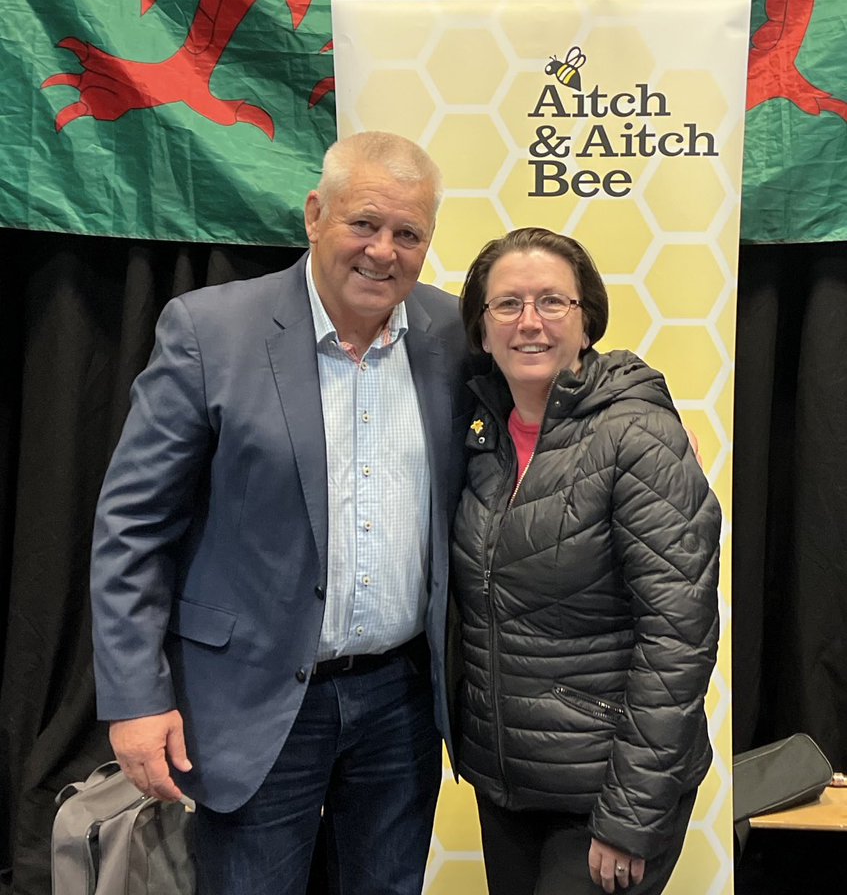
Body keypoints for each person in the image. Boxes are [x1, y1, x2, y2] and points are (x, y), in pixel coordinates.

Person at [90, 131, 477, 895]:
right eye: (364, 223)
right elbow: (132, 529)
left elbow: (551, 388)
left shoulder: (454, 335)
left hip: (401, 702)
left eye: (408, 234)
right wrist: (137, 698)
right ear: (313, 215)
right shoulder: (209, 332)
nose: (382, 250)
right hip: (251, 701)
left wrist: (645, 418)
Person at [451, 227, 721, 895]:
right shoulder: (477, 435)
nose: (530, 322)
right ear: (481, 331)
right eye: (507, 305)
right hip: (510, 786)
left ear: (587, 321)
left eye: (553, 302)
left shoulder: (638, 437)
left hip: (609, 790)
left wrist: (630, 816)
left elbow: (677, 637)